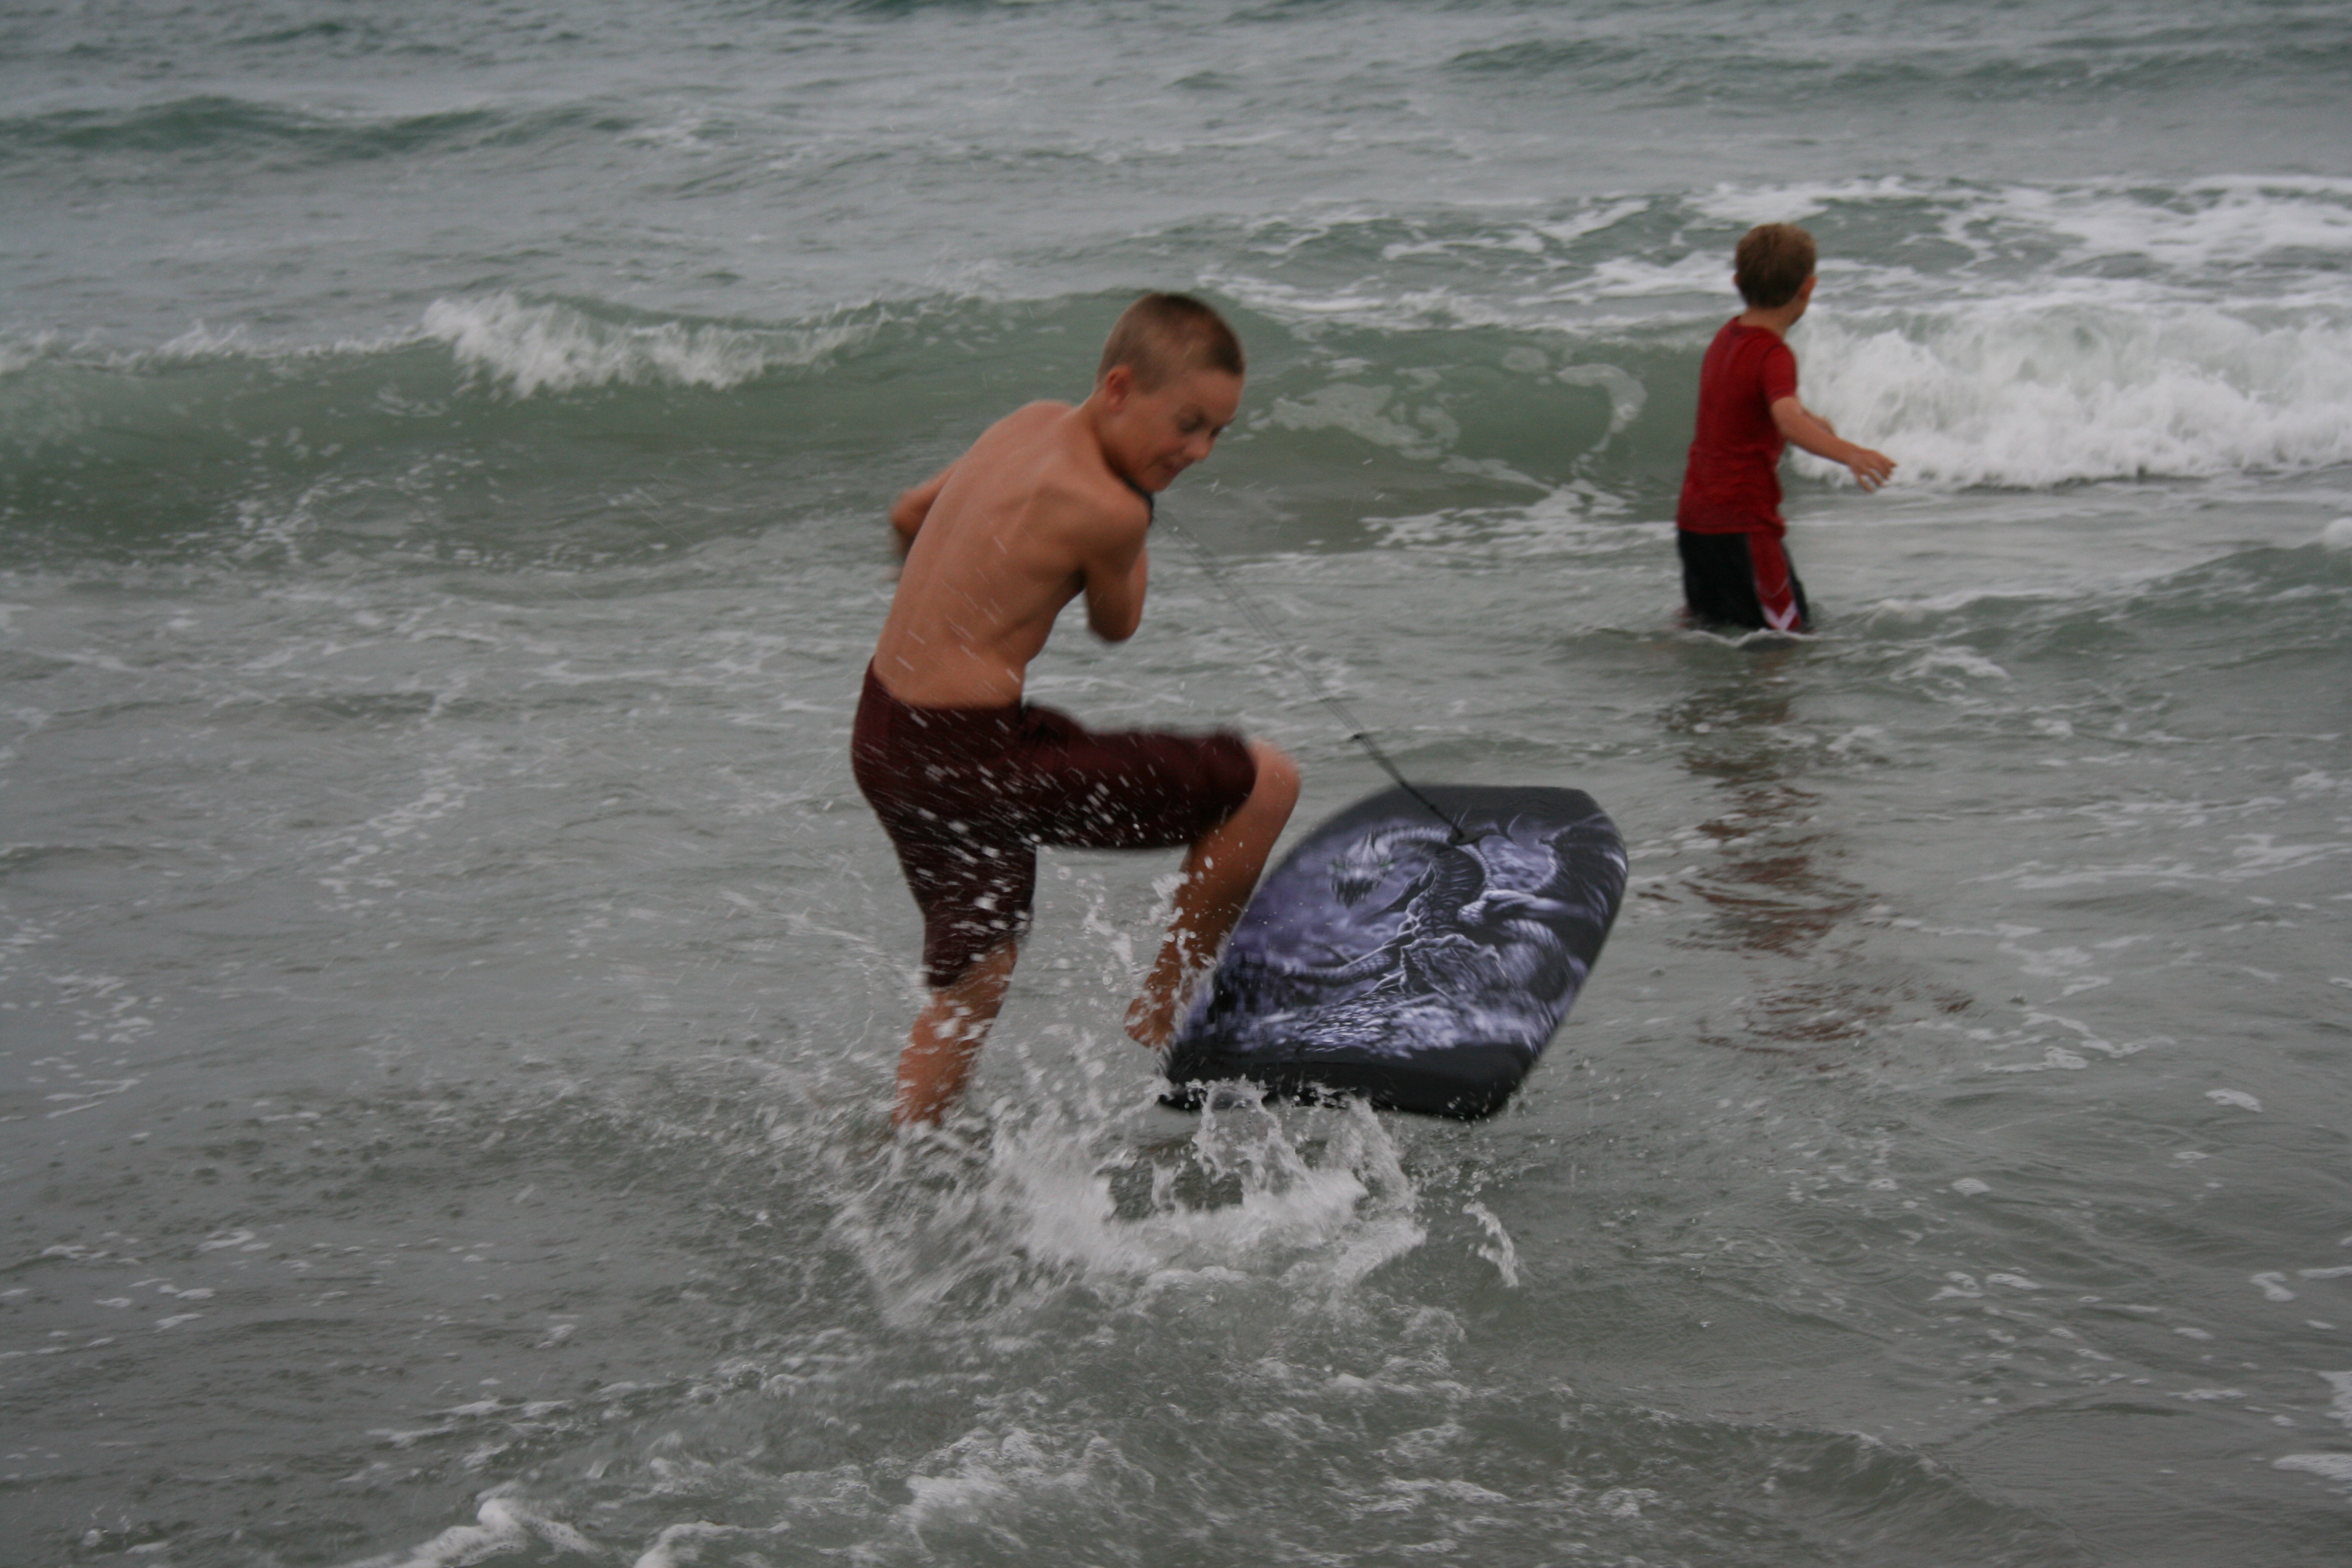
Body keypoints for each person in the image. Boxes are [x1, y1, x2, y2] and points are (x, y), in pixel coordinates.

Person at [852, 293, 1302, 1126]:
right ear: (1120, 388)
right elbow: (1117, 623)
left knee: (976, 978)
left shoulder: (1027, 421)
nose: (1199, 450)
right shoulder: (1112, 508)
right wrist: (1137, 518)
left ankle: (905, 1144)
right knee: (1267, 784)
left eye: (1217, 433)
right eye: (1187, 424)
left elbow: (910, 513)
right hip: (973, 757)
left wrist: (948, 600)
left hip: (887, 733)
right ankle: (1166, 1011)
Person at [1675, 223, 1895, 633]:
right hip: (1744, 523)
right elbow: (1786, 421)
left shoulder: (1727, 337)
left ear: (1737, 283)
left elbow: (1746, 399)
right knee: (1790, 637)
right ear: (1808, 288)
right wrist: (1851, 453)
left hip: (1694, 520)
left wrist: (1807, 415)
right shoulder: (1774, 353)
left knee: (1708, 626)